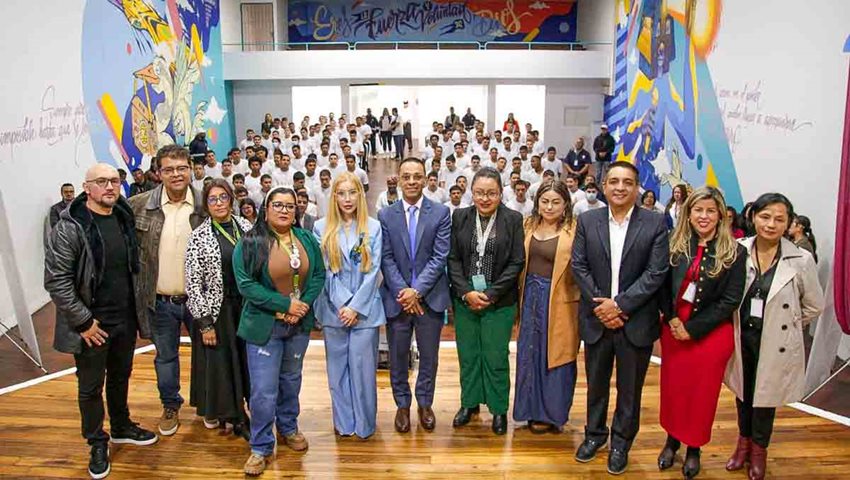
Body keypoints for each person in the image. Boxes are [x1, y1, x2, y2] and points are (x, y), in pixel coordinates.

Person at [45, 164, 158, 479]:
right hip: (91, 327)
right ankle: (96, 441)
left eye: (114, 181)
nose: (110, 186)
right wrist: (83, 323)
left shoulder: (123, 217)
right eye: (102, 182)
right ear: (87, 187)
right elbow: (57, 281)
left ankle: (121, 426)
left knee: (121, 376)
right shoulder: (70, 227)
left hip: (124, 319)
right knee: (90, 387)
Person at [570, 161, 669, 475]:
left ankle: (621, 443)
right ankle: (595, 435)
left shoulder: (654, 223)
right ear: (603, 185)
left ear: (637, 187)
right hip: (597, 318)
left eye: (627, 182)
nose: (620, 187)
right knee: (596, 385)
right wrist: (602, 306)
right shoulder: (587, 220)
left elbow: (656, 273)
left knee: (630, 390)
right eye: (613, 181)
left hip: (635, 321)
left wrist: (621, 305)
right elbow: (579, 266)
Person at [724, 193, 824, 480]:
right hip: (742, 337)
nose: (771, 224)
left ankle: (758, 452)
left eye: (779, 219)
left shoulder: (800, 259)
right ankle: (742, 445)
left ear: (789, 223)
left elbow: (814, 305)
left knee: (765, 400)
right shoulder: (738, 250)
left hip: (775, 343)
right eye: (765, 216)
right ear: (753, 216)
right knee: (743, 394)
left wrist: (786, 324)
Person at [656, 187, 747, 479]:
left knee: (701, 395)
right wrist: (671, 320)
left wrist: (692, 329)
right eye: (698, 210)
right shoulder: (674, 244)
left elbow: (730, 300)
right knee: (674, 389)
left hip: (710, 334)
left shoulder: (735, 252)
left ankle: (694, 448)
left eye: (710, 210)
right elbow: (661, 287)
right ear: (688, 213)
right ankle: (671, 441)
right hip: (673, 328)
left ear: (720, 214)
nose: (704, 216)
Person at [234, 186, 326, 476]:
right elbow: (246, 284)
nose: (284, 210)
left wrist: (302, 306)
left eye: (289, 206)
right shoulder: (250, 242)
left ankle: (289, 428)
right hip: (265, 326)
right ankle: (260, 446)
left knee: (291, 381)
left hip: (297, 326)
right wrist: (285, 304)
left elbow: (319, 275)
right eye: (278, 205)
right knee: (263, 391)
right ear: (266, 208)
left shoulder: (306, 238)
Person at [129, 144, 206, 437]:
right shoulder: (138, 205)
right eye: (169, 169)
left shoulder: (205, 204)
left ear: (191, 169)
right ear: (158, 173)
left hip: (199, 301)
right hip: (159, 301)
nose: (176, 174)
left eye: (181, 168)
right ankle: (170, 405)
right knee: (165, 358)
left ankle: (209, 403)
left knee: (207, 354)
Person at [448, 168, 525, 436]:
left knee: (495, 357)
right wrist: (466, 292)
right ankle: (469, 404)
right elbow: (453, 259)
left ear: (501, 193)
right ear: (472, 192)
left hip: (499, 303)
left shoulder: (513, 219)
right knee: (468, 356)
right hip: (465, 300)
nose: (485, 198)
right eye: (479, 192)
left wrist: (491, 294)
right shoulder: (460, 216)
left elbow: (517, 262)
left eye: (491, 193)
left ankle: (498, 409)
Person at [379, 158, 452, 433]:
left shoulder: (441, 213)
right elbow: (386, 258)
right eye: (406, 176)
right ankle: (401, 405)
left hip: (429, 299)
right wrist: (404, 293)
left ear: (425, 179)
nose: (411, 181)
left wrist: (417, 291)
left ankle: (424, 403)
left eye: (417, 176)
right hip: (397, 300)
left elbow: (439, 256)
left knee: (429, 357)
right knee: (397, 357)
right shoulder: (386, 215)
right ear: (398, 179)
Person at [313, 172, 384, 439]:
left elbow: (374, 270)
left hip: (364, 313)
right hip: (333, 311)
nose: (347, 199)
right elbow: (325, 272)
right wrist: (344, 304)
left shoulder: (373, 228)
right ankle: (344, 423)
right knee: (338, 372)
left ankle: (365, 424)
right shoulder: (320, 228)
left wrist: (355, 307)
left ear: (360, 195)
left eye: (352, 192)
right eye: (341, 193)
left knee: (363, 371)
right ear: (334, 197)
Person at [184, 179, 253, 440]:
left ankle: (247, 406)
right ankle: (235, 417)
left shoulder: (245, 227)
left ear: (231, 199)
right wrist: (205, 323)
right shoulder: (199, 237)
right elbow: (193, 283)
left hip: (246, 306)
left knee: (246, 361)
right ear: (206, 205)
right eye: (212, 199)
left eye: (223, 197)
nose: (219, 203)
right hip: (218, 311)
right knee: (225, 365)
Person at [512, 181, 580, 434]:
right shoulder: (527, 225)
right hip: (530, 297)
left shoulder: (574, 230)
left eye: (555, 202)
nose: (549, 207)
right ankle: (529, 410)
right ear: (537, 202)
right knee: (530, 353)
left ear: (565, 205)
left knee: (557, 356)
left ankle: (553, 413)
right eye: (545, 201)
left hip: (560, 301)